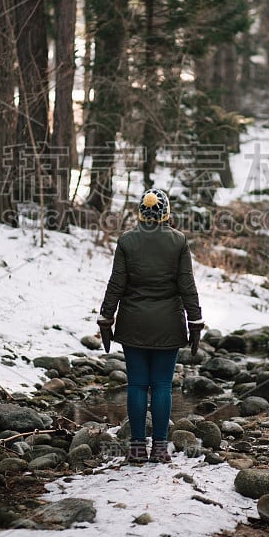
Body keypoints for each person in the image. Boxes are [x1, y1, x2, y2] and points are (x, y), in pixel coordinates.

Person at [97, 188, 204, 464]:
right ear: (166, 213)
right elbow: (187, 286)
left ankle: (135, 448)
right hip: (168, 325)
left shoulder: (127, 241)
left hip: (133, 324)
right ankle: (159, 448)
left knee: (136, 386)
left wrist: (106, 318)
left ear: (140, 213)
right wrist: (195, 321)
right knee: (162, 386)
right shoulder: (178, 241)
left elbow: (116, 284)